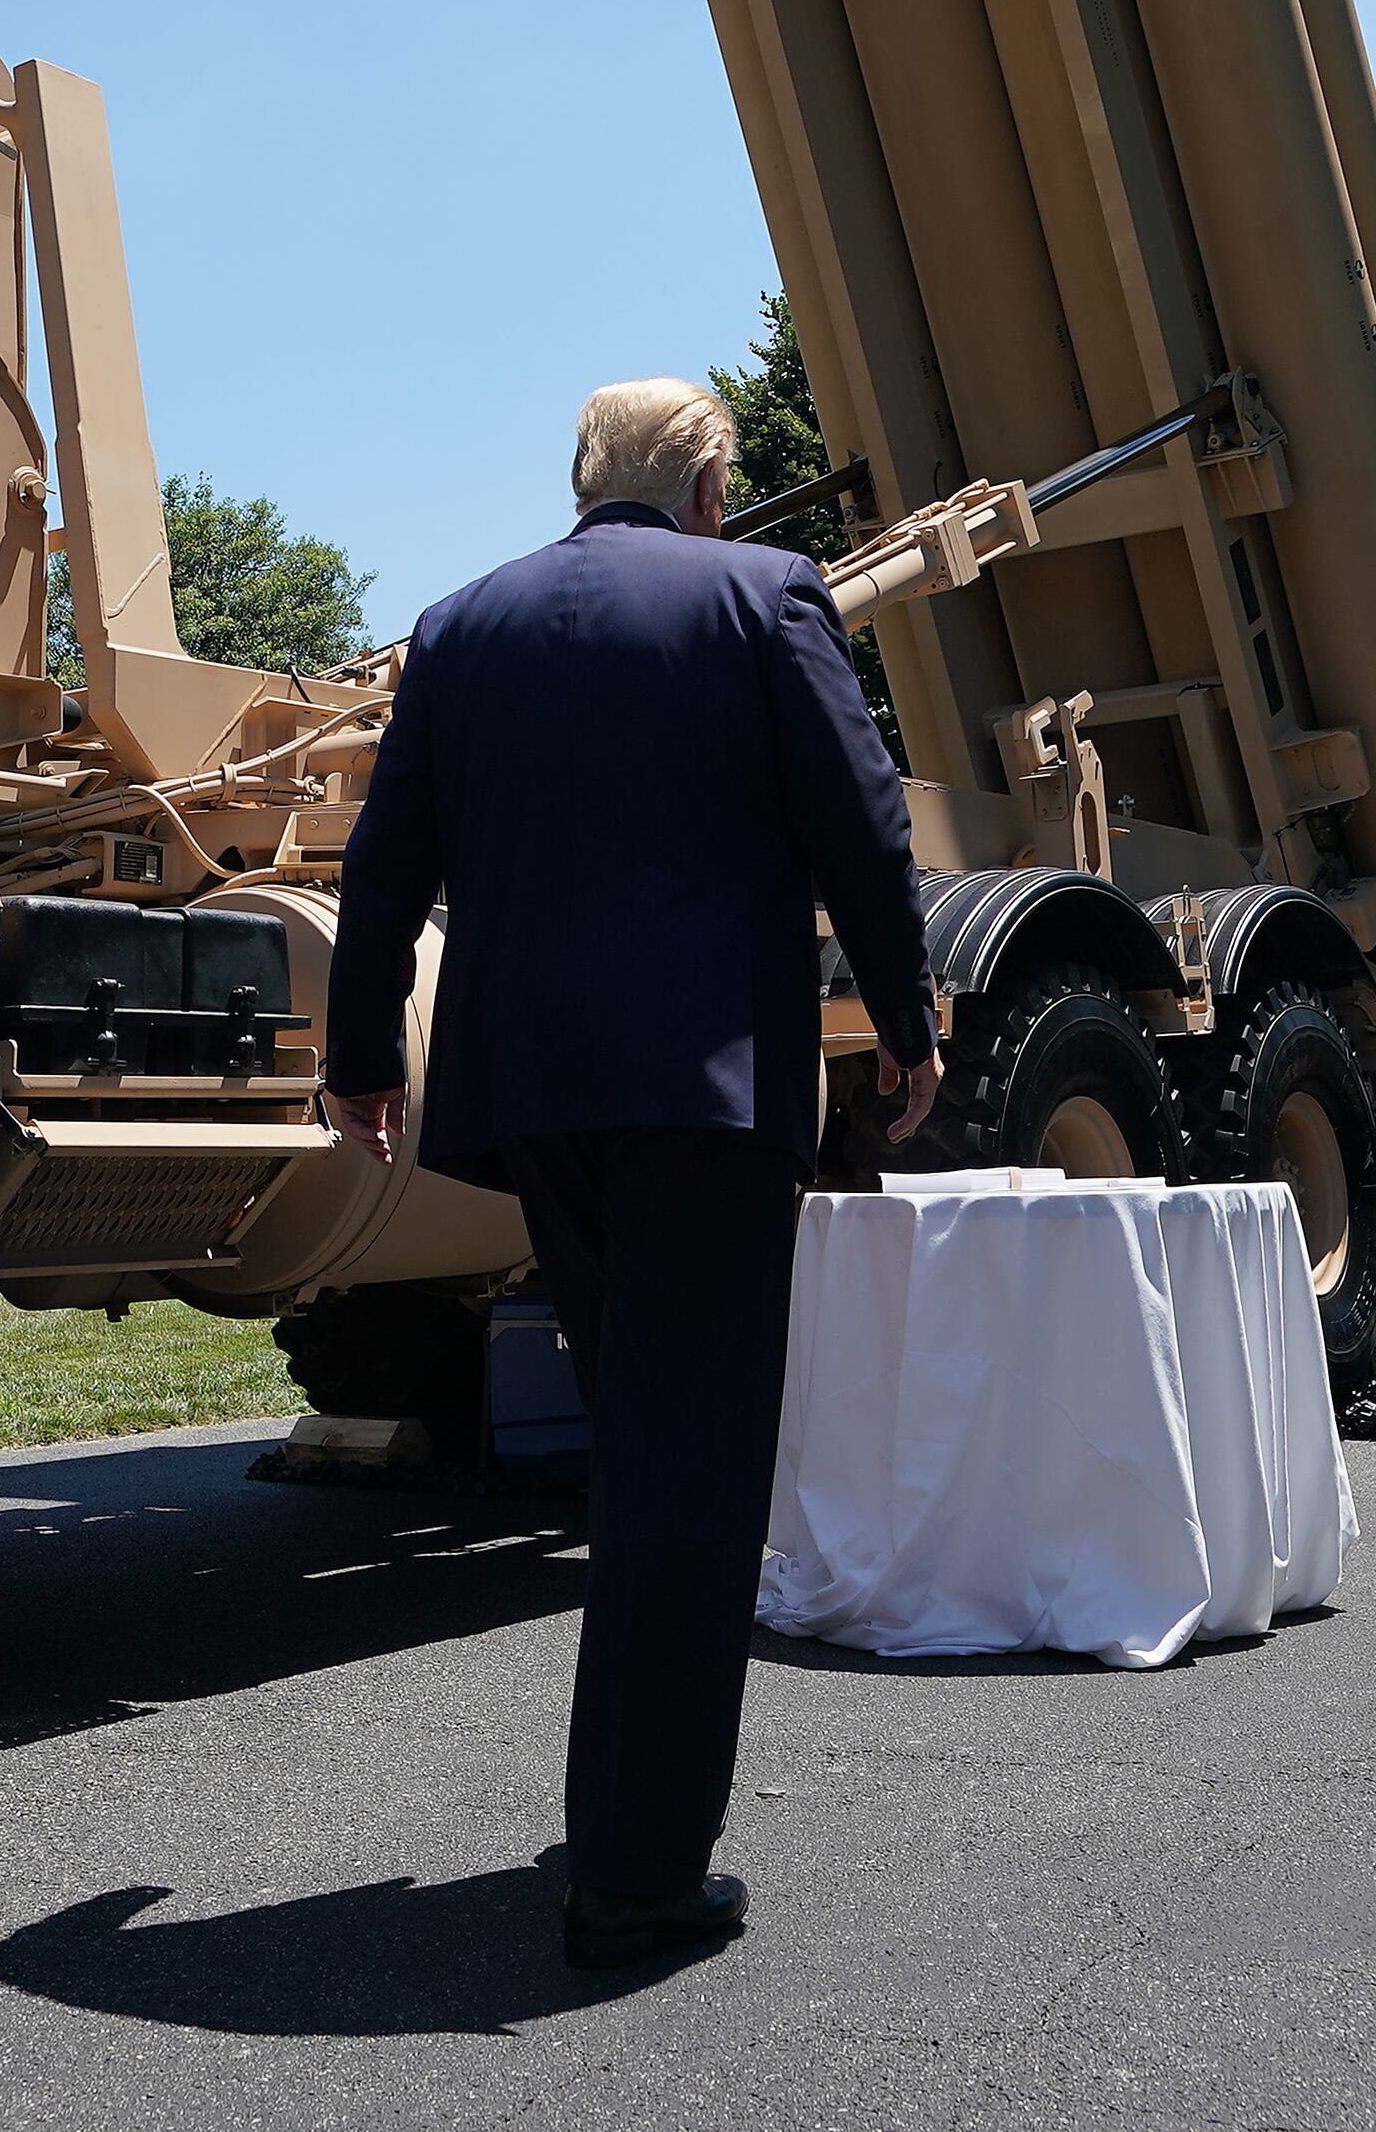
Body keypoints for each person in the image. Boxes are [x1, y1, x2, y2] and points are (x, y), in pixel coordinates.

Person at [326, 378, 940, 1967]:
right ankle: (638, 1860)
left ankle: (626, 1805)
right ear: (713, 483)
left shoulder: (464, 623)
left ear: (584, 477)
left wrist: (359, 1057)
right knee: (693, 1462)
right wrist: (908, 1018)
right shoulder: (763, 595)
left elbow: (383, 853)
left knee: (638, 1430)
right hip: (709, 1091)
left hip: (538, 1096)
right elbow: (859, 820)